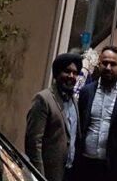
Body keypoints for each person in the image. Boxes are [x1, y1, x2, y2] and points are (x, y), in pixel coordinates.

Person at [75, 45, 117, 181]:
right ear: (99, 64)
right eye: (105, 63)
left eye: (113, 64)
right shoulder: (86, 92)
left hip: (113, 168)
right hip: (84, 164)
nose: (108, 68)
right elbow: (78, 127)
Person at [26, 53, 83, 181]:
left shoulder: (74, 101)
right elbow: (34, 143)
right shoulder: (43, 99)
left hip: (68, 172)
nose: (71, 76)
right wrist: (38, 176)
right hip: (48, 173)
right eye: (67, 71)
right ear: (57, 73)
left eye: (75, 73)